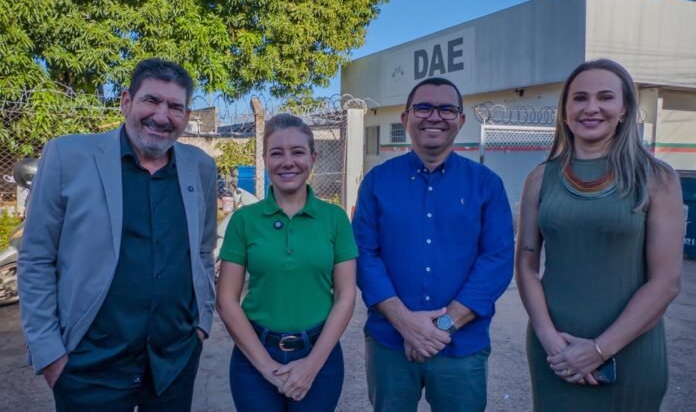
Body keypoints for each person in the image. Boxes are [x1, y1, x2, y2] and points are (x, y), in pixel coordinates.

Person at [18, 58, 218, 411]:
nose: (162, 116)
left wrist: (201, 322)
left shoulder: (200, 167)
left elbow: (203, 249)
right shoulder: (67, 155)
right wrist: (49, 354)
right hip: (89, 365)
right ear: (126, 101)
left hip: (173, 361)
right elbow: (36, 258)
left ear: (187, 115)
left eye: (175, 107)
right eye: (151, 100)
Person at [516, 59, 683, 411]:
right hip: (555, 354)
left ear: (624, 109)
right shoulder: (539, 179)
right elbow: (526, 267)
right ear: (565, 112)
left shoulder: (657, 178)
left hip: (631, 352)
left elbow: (666, 282)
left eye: (605, 97)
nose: (591, 107)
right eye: (579, 98)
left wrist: (598, 350)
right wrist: (550, 341)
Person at [352, 77, 514, 412]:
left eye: (447, 109)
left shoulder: (486, 185)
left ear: (461, 120)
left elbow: (496, 260)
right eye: (423, 107)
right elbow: (365, 256)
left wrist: (441, 327)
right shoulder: (377, 183)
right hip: (390, 344)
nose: (435, 117)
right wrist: (405, 324)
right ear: (406, 118)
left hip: (461, 345)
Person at [216, 113, 357, 411]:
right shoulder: (244, 220)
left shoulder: (335, 219)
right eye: (277, 153)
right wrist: (267, 367)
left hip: (320, 356)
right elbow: (226, 300)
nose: (288, 162)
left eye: (298, 152)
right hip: (254, 357)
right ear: (265, 159)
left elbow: (345, 297)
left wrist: (311, 365)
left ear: (313, 158)